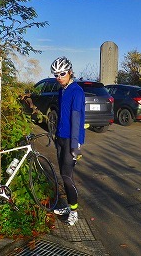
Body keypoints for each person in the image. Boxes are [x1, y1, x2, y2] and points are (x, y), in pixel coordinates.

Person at [50, 57, 85, 226]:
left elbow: (76, 117)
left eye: (62, 73)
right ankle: (69, 207)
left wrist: (75, 145)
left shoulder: (76, 91)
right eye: (56, 74)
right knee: (63, 174)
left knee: (67, 176)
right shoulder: (62, 90)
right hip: (61, 138)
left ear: (70, 72)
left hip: (72, 139)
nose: (59, 77)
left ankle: (74, 212)